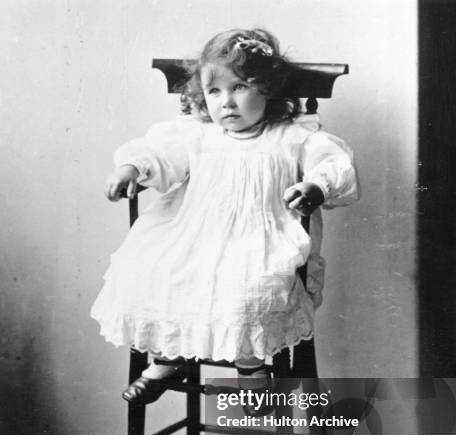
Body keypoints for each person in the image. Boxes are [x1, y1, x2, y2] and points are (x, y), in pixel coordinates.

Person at [91, 28, 359, 402]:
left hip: (261, 241)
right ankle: (168, 358)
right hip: (194, 236)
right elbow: (158, 154)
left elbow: (331, 164)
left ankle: (250, 365)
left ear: (267, 88)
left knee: (248, 290)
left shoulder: (292, 136)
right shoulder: (197, 135)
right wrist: (133, 168)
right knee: (156, 273)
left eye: (239, 87)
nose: (226, 102)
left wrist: (314, 186)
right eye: (214, 91)